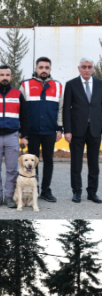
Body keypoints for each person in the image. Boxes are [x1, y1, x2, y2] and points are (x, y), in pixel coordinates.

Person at [0, 65, 30, 208]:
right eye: (1, 75)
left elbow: (24, 117)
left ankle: (9, 197)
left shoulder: (17, 94)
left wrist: (25, 135)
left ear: (11, 77)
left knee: (12, 169)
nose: (4, 77)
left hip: (12, 136)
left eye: (7, 75)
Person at [19, 57, 64, 203]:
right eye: (41, 67)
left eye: (46, 67)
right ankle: (33, 189)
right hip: (31, 132)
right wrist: (23, 132)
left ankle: (46, 190)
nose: (43, 70)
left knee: (49, 160)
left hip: (49, 131)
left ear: (50, 69)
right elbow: (21, 110)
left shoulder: (58, 86)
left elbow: (61, 109)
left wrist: (59, 128)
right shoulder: (25, 85)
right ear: (36, 68)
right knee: (31, 162)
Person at [63, 57, 102, 203]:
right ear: (79, 68)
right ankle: (77, 192)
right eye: (84, 67)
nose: (87, 69)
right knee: (76, 163)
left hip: (95, 130)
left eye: (89, 67)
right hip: (76, 131)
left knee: (94, 163)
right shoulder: (71, 84)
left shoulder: (100, 84)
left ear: (93, 68)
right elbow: (66, 109)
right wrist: (67, 130)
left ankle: (92, 192)